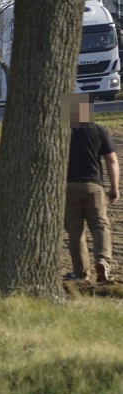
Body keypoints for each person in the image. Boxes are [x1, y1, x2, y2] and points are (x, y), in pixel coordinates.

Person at [64, 95, 119, 282]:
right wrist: (114, 187)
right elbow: (111, 160)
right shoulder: (99, 130)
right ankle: (103, 261)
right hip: (94, 187)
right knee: (100, 226)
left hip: (68, 188)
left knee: (75, 232)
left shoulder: (61, 133)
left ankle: (81, 274)